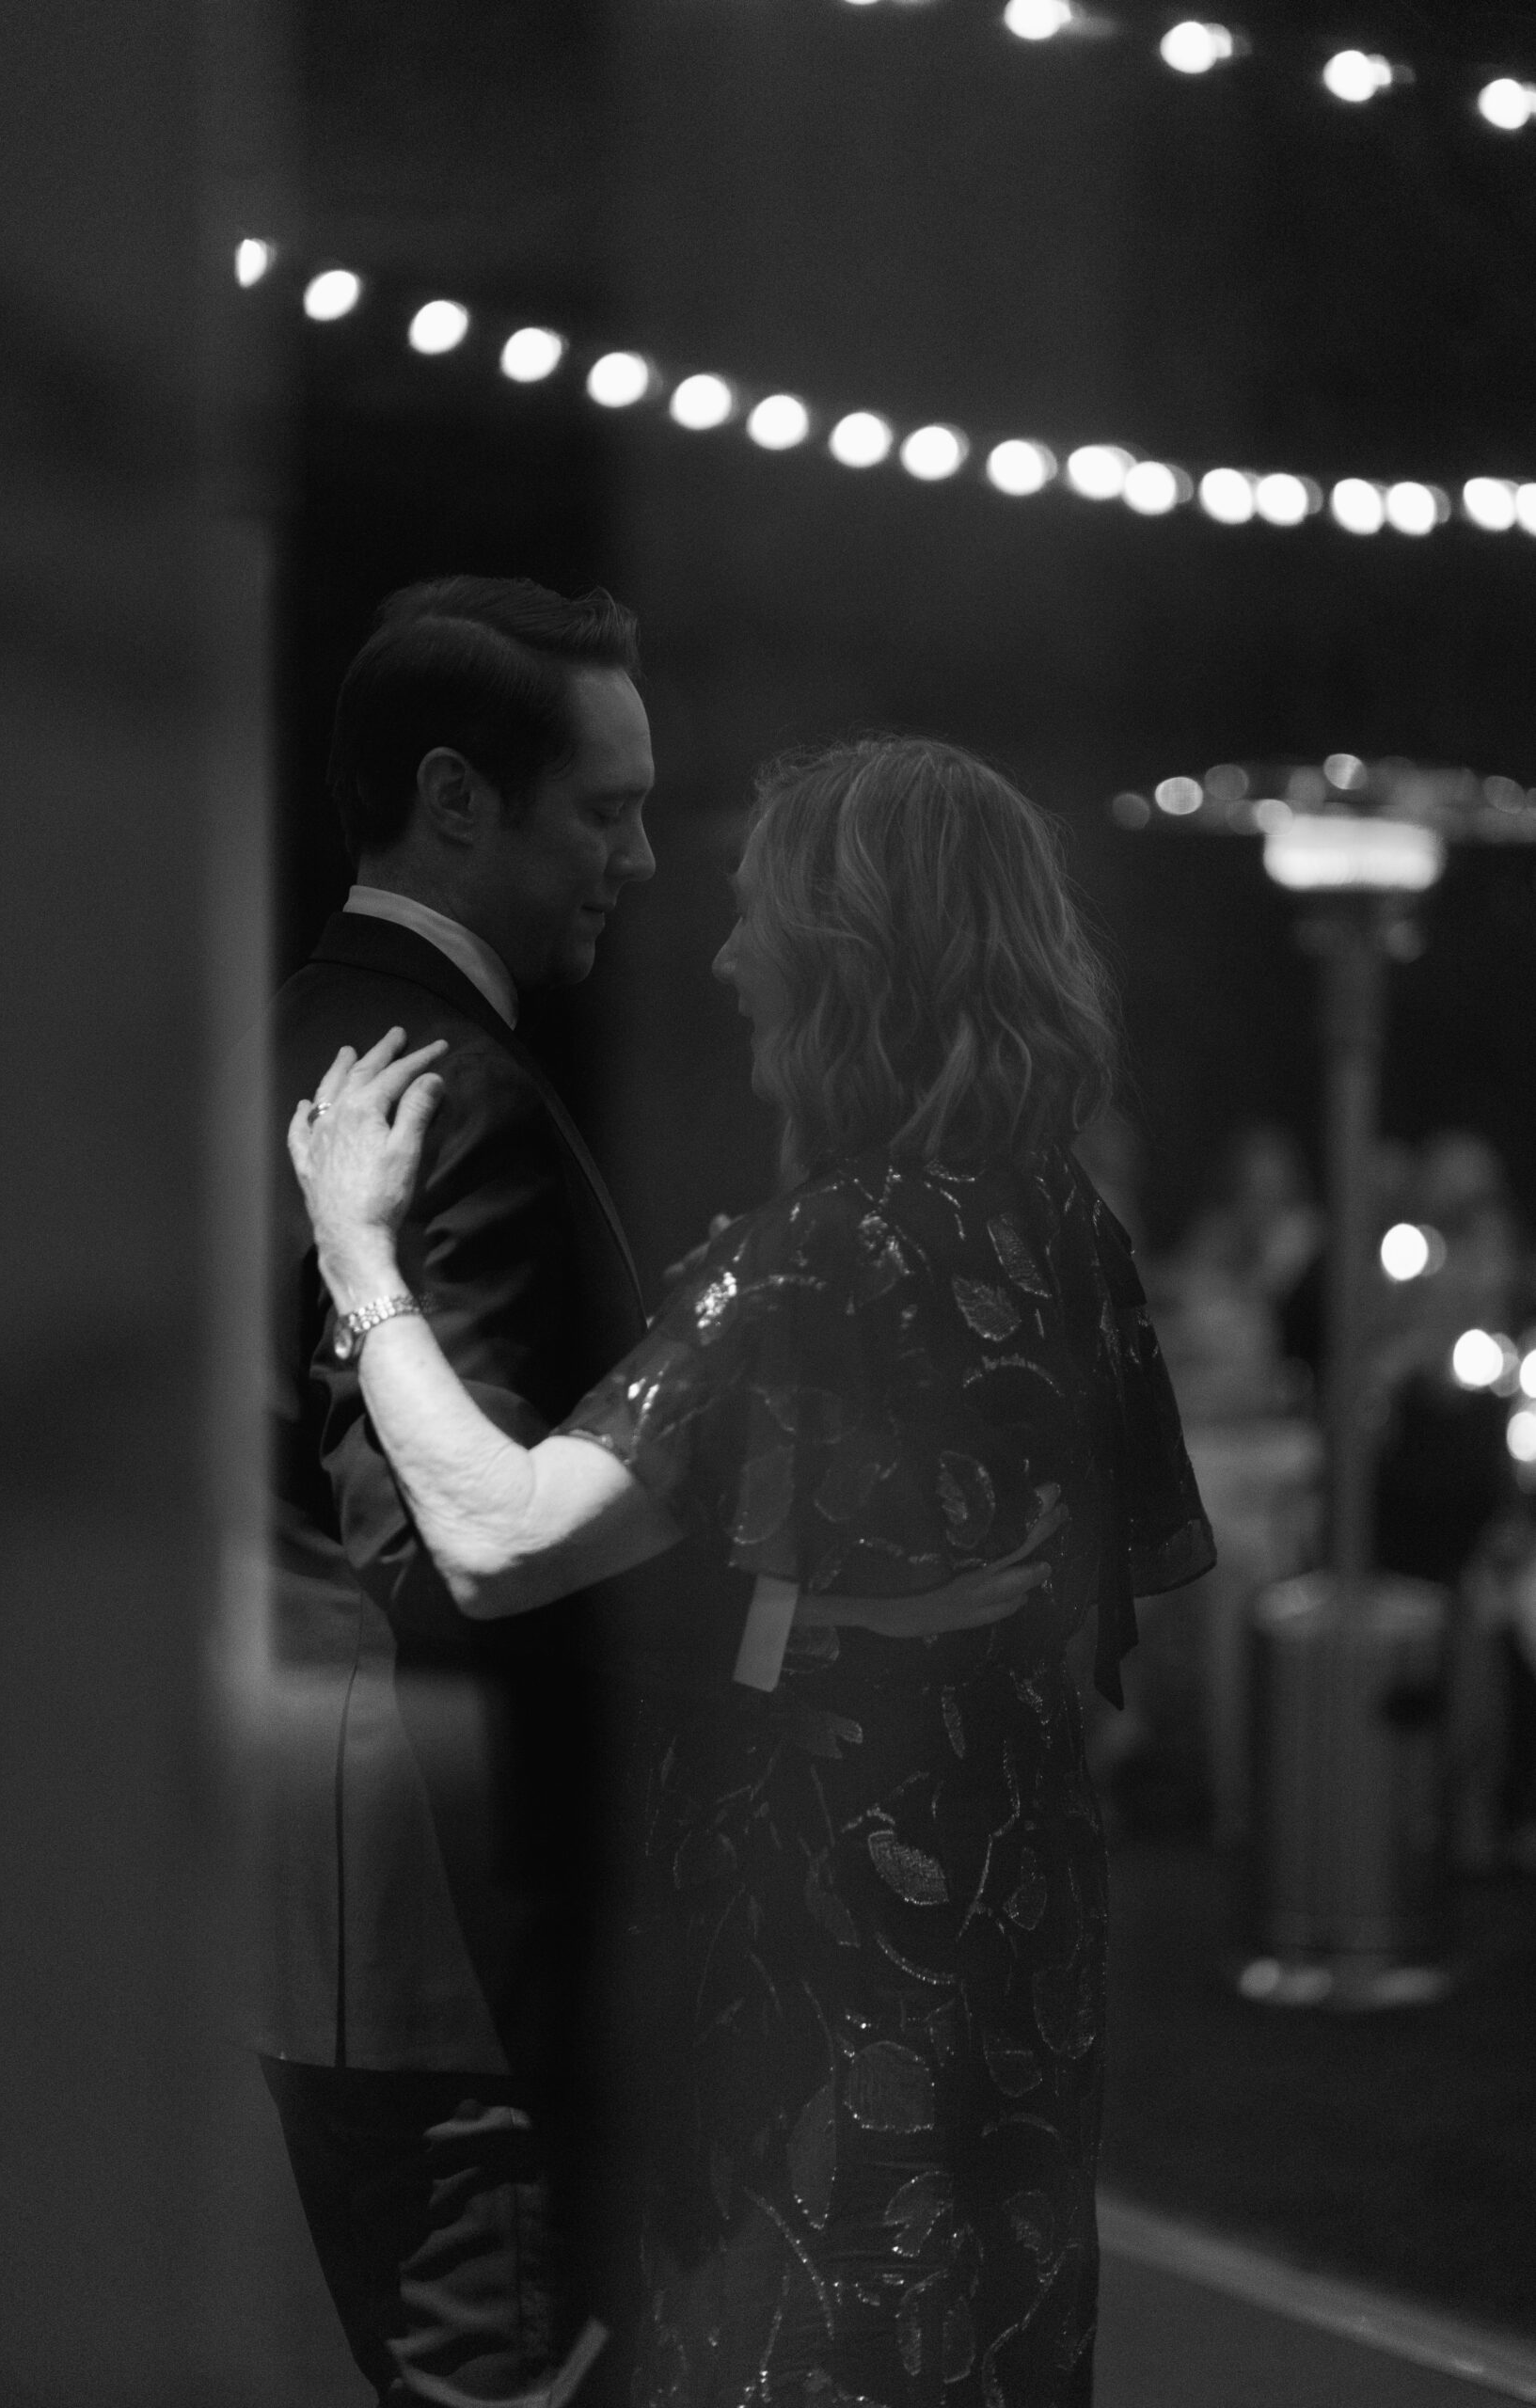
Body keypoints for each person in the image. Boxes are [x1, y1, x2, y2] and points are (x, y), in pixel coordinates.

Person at [289, 735, 1217, 2407]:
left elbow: (496, 1538)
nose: (725, 961)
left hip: (824, 1927)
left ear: (845, 955)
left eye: (758, 924)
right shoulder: (1062, 1224)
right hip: (1021, 1900)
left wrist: (359, 1256)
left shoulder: (816, 1257)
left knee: (810, 2338)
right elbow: (1119, 1575)